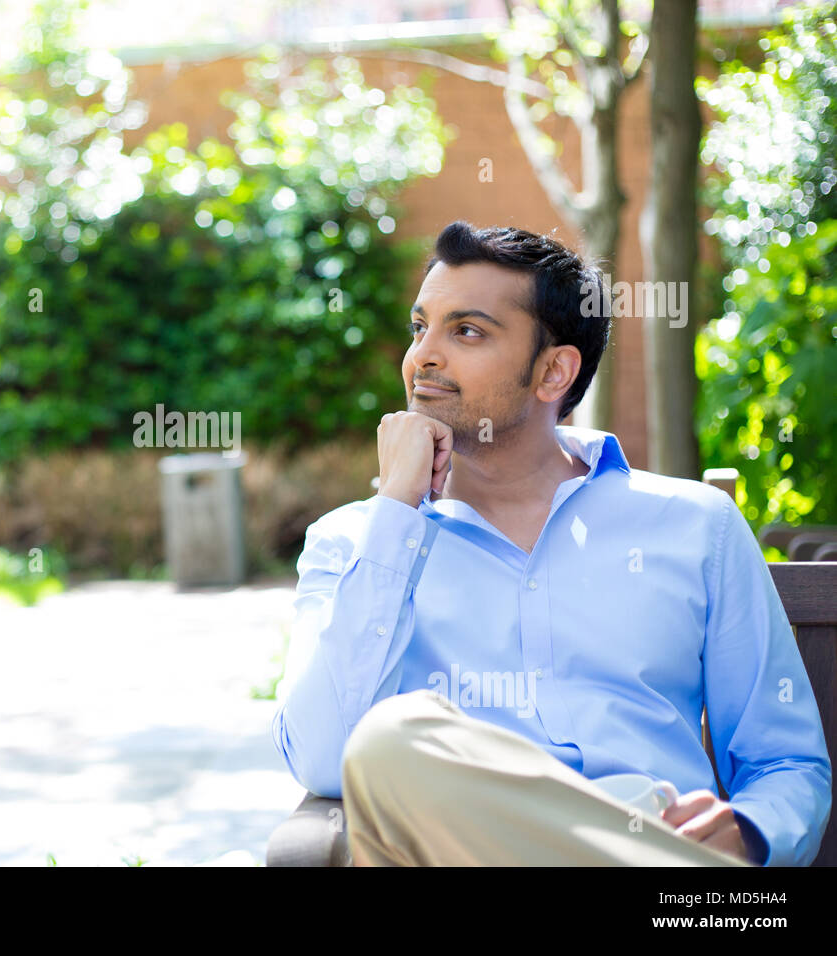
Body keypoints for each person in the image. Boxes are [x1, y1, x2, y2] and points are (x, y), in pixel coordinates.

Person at [271, 220, 832, 866]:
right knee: (389, 743)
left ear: (554, 372)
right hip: (465, 852)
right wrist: (396, 511)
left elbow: (787, 761)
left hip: (663, 845)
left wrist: (750, 830)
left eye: (467, 331)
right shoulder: (354, 542)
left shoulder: (694, 526)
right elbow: (322, 759)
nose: (423, 355)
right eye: (419, 327)